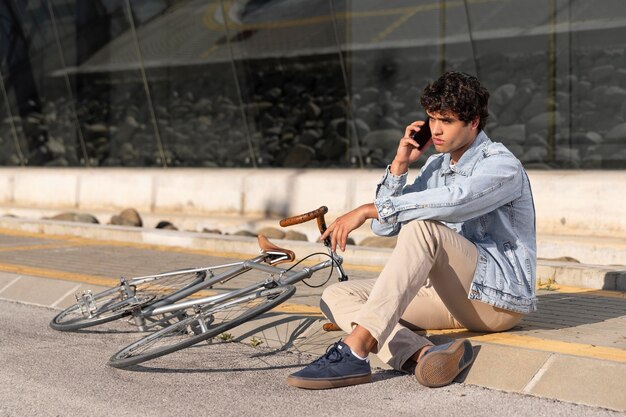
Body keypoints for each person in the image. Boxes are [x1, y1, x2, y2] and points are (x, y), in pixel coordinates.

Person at [287, 71, 537, 390]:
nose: (435, 129)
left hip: (499, 302)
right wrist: (399, 166)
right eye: (432, 119)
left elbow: (455, 202)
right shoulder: (436, 166)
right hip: (451, 298)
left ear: (473, 121)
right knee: (337, 294)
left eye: (446, 120)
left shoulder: (502, 166)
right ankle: (422, 355)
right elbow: (386, 226)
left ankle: (356, 350)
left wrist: (367, 208)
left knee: (423, 229)